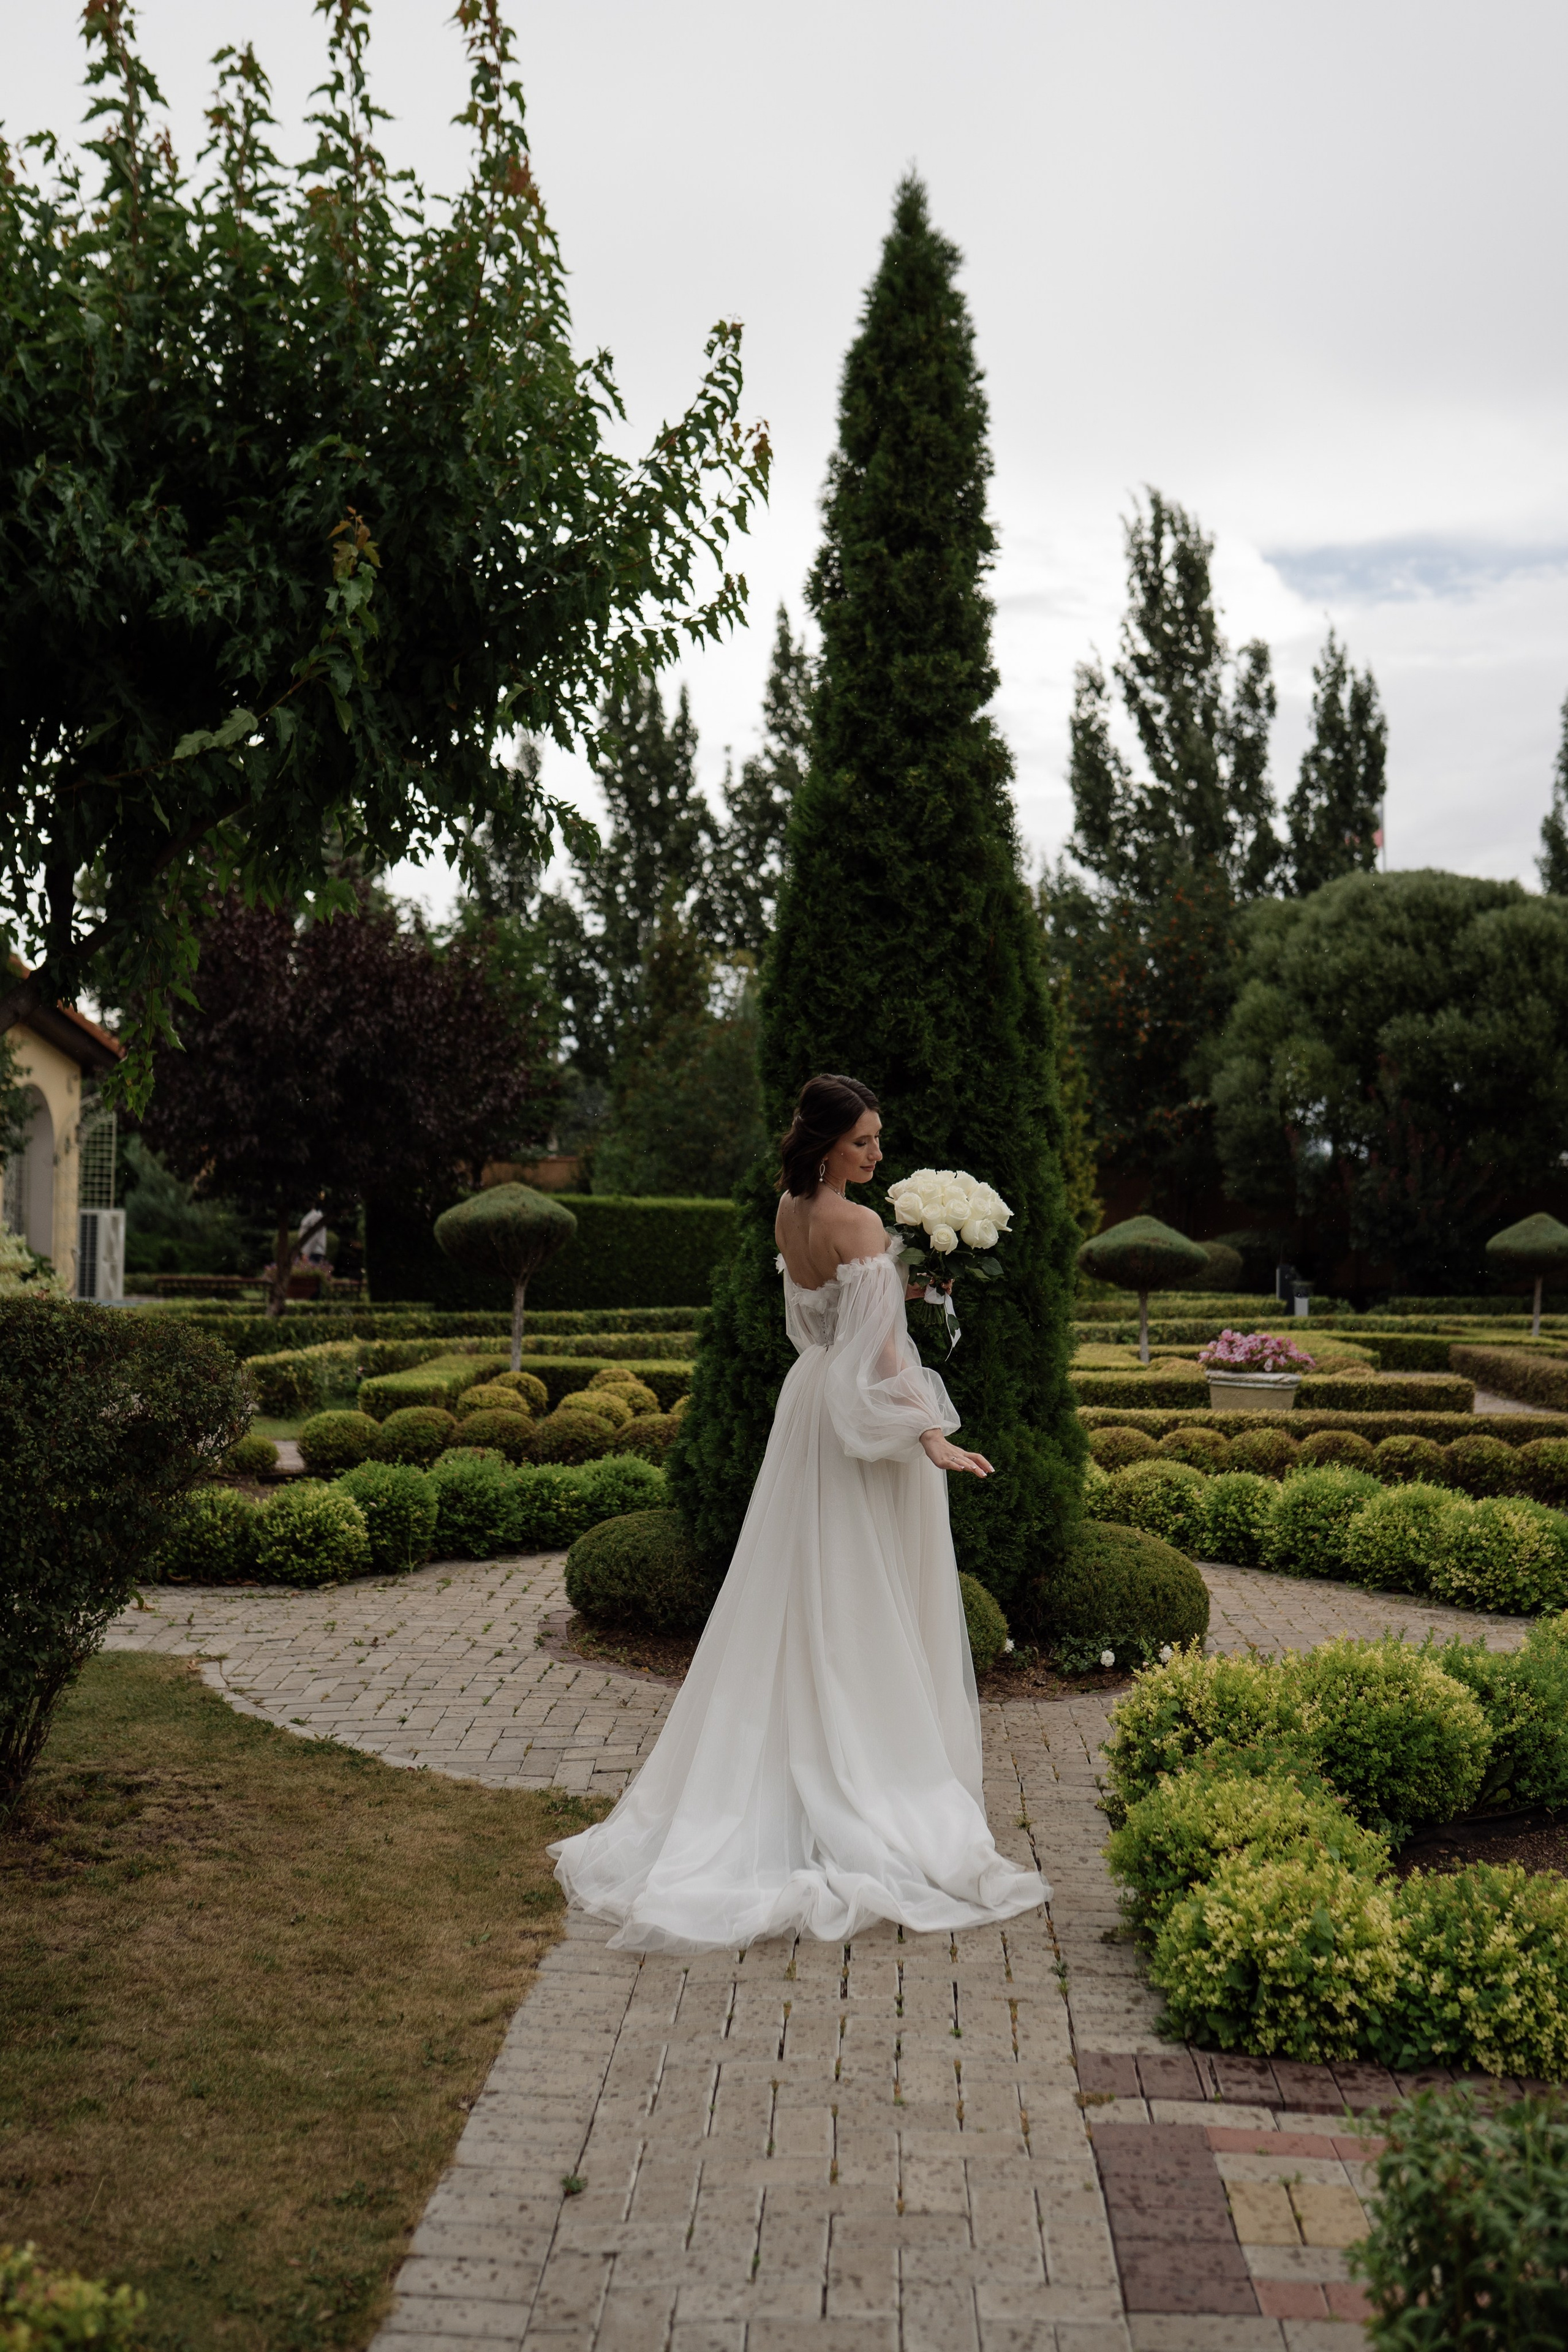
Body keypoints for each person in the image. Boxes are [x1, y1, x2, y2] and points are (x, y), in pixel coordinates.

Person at [550, 1072, 1047, 1951]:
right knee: (860, 1593)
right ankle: (866, 1771)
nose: (878, 1155)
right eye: (864, 1143)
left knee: (796, 1587)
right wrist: (928, 1432)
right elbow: (884, 1353)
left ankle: (788, 1759)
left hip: (806, 1403)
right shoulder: (858, 1225)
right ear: (827, 1146)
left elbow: (819, 1329)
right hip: (857, 1421)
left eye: (878, 1140)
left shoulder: (790, 1214)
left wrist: (911, 1287)